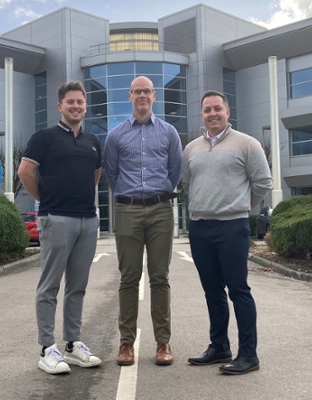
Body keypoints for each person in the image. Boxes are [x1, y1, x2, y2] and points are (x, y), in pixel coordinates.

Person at [182, 89, 272, 375]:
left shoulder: (247, 143)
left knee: (238, 290)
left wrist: (245, 205)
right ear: (202, 115)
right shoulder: (191, 148)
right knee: (212, 291)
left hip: (232, 227)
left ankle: (249, 355)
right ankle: (219, 346)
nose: (212, 114)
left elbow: (263, 182)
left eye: (217, 108)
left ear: (227, 111)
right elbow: (186, 184)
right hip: (200, 228)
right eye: (207, 110)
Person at [18, 81, 102, 375]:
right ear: (60, 106)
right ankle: (46, 348)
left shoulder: (93, 140)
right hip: (56, 219)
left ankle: (73, 344)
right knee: (50, 286)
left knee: (77, 287)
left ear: (85, 105)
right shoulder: (45, 137)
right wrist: (46, 198)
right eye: (70, 102)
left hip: (87, 221)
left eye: (80, 102)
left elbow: (95, 175)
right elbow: (25, 172)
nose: (76, 106)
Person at [104, 76, 182, 366]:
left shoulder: (169, 132)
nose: (142, 96)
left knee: (160, 277)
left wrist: (158, 196)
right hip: (128, 210)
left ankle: (163, 342)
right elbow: (112, 176)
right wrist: (132, 198)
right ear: (130, 96)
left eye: (147, 91)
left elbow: (175, 172)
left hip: (161, 210)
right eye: (137, 91)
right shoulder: (116, 136)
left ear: (154, 96)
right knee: (128, 278)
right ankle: (126, 344)